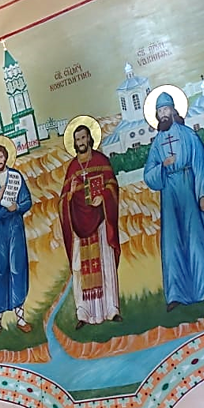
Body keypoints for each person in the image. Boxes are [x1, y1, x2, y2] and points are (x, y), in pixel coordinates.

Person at [143, 92, 204, 309]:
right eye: (159, 111)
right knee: (173, 243)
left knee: (196, 237)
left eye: (166, 109)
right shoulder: (156, 144)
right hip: (169, 193)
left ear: (173, 110)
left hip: (189, 187)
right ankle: (176, 294)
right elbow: (148, 174)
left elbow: (201, 165)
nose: (163, 114)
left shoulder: (189, 135)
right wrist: (162, 166)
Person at [58, 121, 122, 329]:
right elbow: (62, 201)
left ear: (90, 139)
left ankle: (111, 309)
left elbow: (112, 186)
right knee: (80, 268)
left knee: (105, 263)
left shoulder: (101, 160)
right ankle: (83, 313)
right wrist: (70, 194)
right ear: (74, 143)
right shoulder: (73, 168)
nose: (81, 142)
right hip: (80, 226)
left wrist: (103, 196)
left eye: (84, 137)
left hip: (100, 221)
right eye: (77, 139)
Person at [0, 142, 34, 341]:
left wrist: (17, 207)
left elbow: (27, 201)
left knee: (17, 269)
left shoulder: (16, 177)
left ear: (6, 157)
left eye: (1, 157)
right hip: (0, 234)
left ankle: (20, 318)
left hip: (15, 230)